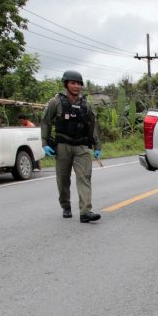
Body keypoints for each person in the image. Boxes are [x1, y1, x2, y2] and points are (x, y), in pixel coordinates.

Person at [40, 70, 102, 223]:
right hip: (63, 146)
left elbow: (92, 125)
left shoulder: (86, 104)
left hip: (81, 146)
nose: (76, 86)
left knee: (84, 177)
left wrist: (97, 146)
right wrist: (45, 143)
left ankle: (85, 211)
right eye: (73, 83)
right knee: (63, 179)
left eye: (79, 83)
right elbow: (46, 122)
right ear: (66, 84)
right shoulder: (56, 102)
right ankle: (66, 205)